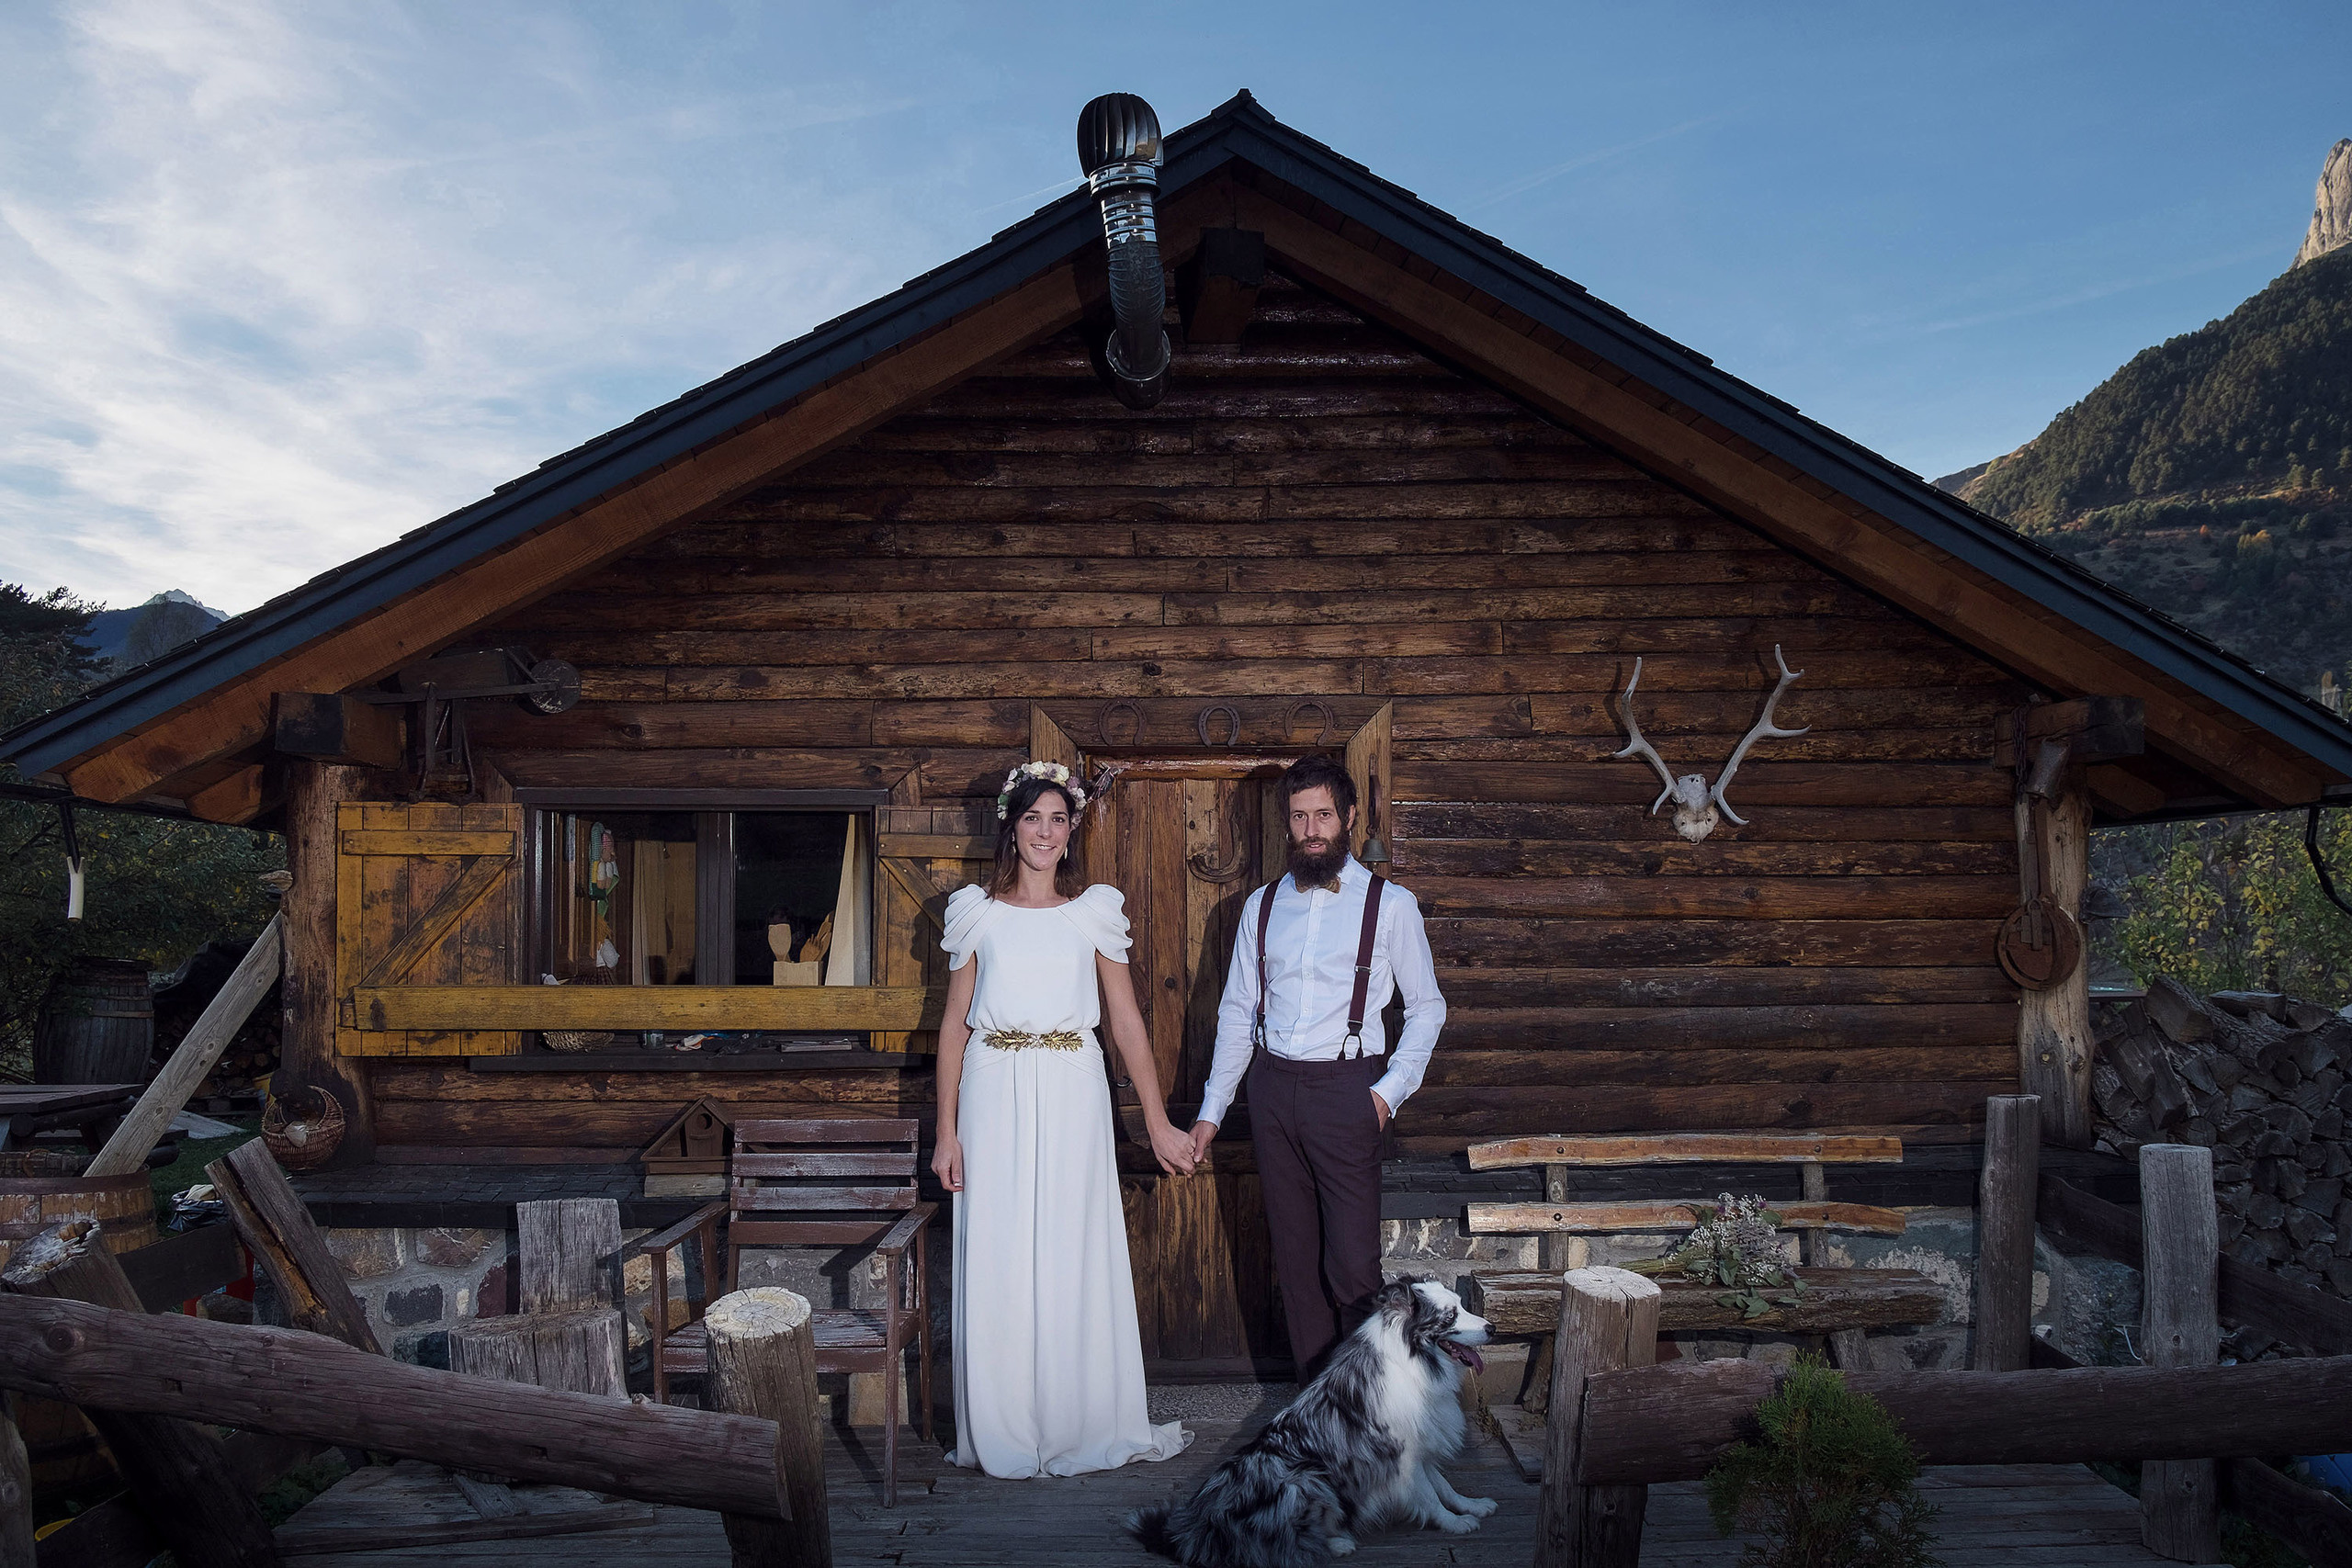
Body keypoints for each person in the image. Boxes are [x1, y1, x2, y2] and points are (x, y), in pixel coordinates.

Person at [930, 761, 1199, 1478]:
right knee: (1002, 1250)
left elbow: (1126, 1021)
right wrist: (946, 1131)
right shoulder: (977, 915)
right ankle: (1006, 1426)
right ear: (1011, 828)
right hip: (994, 1088)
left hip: (1074, 1087)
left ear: (1071, 828)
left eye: (1057, 818)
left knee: (1072, 1249)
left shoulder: (1092, 915)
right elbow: (955, 1027)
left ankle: (1081, 1419)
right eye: (1032, 818)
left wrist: (1158, 1120)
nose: (1044, 831)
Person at [1188, 754, 1447, 1375]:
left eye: (1324, 815)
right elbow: (1236, 1013)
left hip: (1348, 1091)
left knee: (1353, 1268)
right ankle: (1318, 1410)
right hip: (1274, 1091)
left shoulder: (1390, 906)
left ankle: (1373, 1410)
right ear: (1287, 823)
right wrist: (1212, 1112)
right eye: (1300, 816)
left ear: (1349, 817)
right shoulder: (1262, 905)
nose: (1312, 829)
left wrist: (1386, 1094)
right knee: (1297, 1264)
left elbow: (1428, 1007)